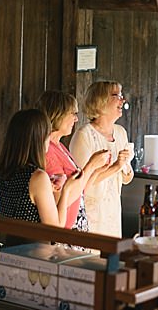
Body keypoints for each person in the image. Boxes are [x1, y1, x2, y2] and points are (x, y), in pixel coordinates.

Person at [0, 109, 78, 246]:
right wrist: (66, 190)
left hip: (8, 253)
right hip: (35, 257)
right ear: (40, 138)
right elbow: (56, 231)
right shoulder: (36, 177)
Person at [36, 90, 111, 234]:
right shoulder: (48, 153)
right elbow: (60, 201)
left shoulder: (59, 145)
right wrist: (91, 165)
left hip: (75, 225)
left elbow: (79, 192)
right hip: (64, 231)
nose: (76, 119)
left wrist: (97, 171)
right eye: (73, 114)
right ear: (57, 114)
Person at [70, 81, 134, 238]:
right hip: (91, 215)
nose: (122, 100)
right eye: (116, 95)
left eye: (121, 95)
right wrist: (117, 166)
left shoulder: (120, 133)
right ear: (100, 101)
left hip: (113, 212)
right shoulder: (84, 135)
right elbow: (81, 184)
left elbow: (127, 178)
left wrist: (124, 166)